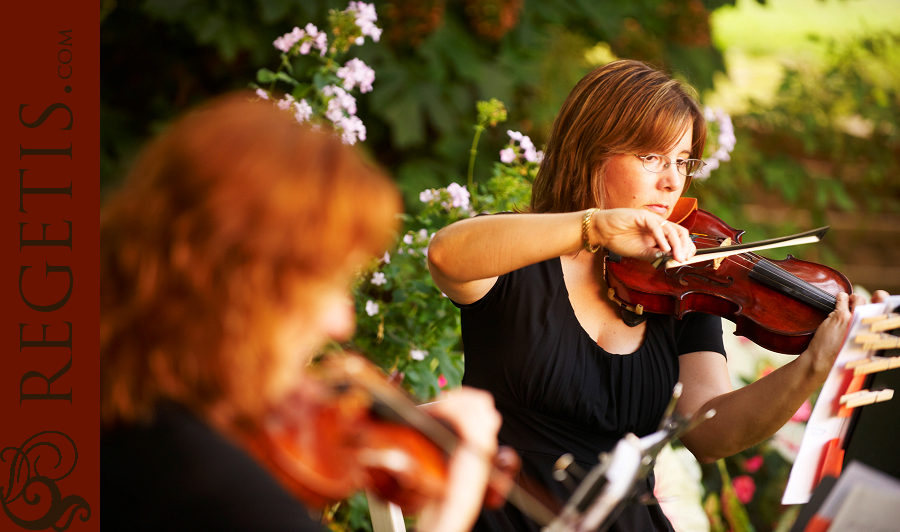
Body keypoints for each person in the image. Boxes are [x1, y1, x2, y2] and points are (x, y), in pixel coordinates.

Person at [427, 59, 888, 532]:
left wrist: (812, 366)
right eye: (651, 158)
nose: (672, 181)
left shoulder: (684, 282)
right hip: (507, 516)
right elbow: (445, 255)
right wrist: (595, 226)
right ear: (589, 152)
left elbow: (711, 432)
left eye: (683, 161)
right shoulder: (518, 256)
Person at [100, 93, 503, 532]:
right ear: (246, 286)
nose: (341, 321)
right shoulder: (220, 493)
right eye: (330, 284)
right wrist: (448, 517)